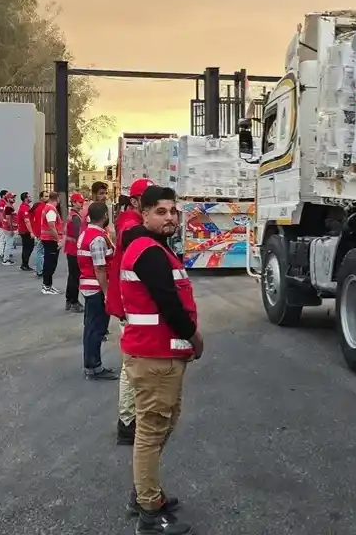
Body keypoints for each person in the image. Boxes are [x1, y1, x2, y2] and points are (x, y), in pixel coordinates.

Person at [120, 185, 202, 533]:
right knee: (152, 431)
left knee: (159, 426)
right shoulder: (150, 252)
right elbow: (169, 304)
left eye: (173, 211)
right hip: (155, 354)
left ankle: (144, 492)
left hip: (158, 353)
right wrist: (194, 338)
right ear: (145, 214)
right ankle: (149, 512)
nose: (169, 218)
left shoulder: (151, 247)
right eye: (161, 212)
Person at [108, 178, 154, 446]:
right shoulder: (130, 222)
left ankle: (131, 417)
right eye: (146, 199)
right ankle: (127, 422)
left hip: (130, 304)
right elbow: (129, 235)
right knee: (131, 365)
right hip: (129, 306)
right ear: (135, 201)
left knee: (135, 362)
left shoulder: (133, 219)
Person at [78, 201, 115, 379]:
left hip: (88, 286)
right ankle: (94, 367)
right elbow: (99, 268)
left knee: (91, 327)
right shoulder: (98, 238)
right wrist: (107, 293)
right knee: (96, 329)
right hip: (96, 288)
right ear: (105, 216)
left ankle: (92, 364)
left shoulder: (86, 233)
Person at [63, 192, 87, 313]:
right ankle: (74, 302)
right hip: (74, 250)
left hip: (70, 249)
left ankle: (69, 300)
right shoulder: (75, 217)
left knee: (72, 276)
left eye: (82, 202)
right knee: (75, 277)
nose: (82, 204)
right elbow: (80, 235)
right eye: (79, 202)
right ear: (73, 202)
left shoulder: (73, 215)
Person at [38, 191, 63, 295]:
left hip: (48, 238)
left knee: (50, 263)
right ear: (57, 199)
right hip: (50, 240)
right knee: (50, 263)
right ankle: (46, 286)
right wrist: (58, 240)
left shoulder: (48, 208)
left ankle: (48, 285)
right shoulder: (51, 210)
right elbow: (52, 226)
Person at [17, 193, 34, 272]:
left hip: (25, 231)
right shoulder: (24, 208)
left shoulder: (26, 207)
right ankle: (24, 264)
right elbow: (27, 221)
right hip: (25, 231)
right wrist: (31, 232)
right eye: (29, 196)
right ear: (26, 198)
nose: (31, 197)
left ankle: (25, 264)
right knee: (28, 248)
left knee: (27, 247)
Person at [33, 192, 48, 277]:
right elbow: (40, 222)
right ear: (41, 198)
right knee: (40, 252)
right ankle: (40, 270)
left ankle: (40, 269)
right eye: (45, 196)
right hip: (42, 234)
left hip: (39, 233)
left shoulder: (38, 207)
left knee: (40, 252)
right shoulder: (43, 208)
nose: (47, 198)